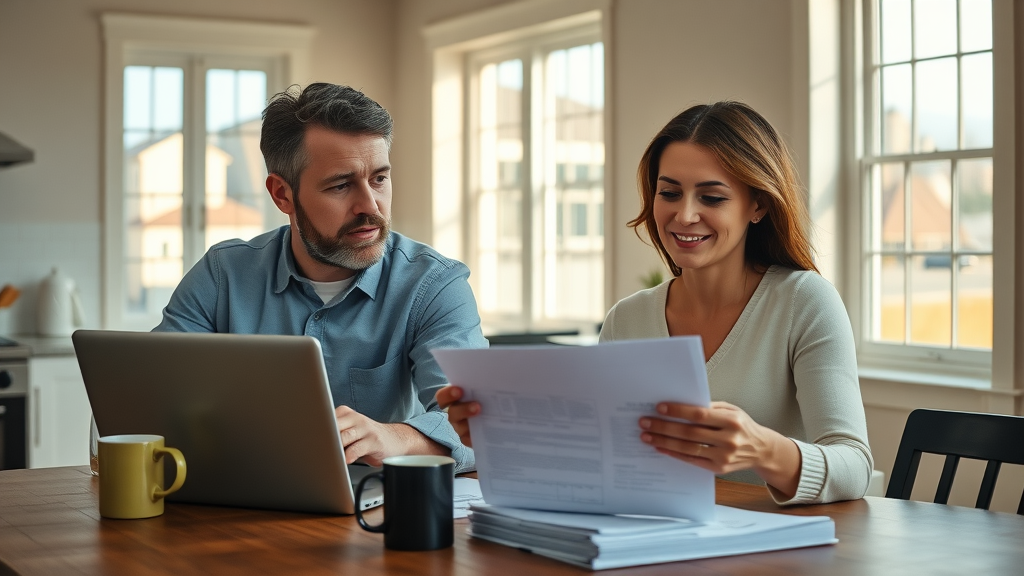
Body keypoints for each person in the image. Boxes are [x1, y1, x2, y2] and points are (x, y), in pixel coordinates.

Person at [438, 101, 873, 504]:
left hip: (773, 547)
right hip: (652, 540)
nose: (684, 215)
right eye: (669, 193)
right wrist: (499, 437)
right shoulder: (627, 319)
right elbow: (597, 461)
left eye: (712, 197)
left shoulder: (804, 301)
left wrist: (762, 449)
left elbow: (854, 465)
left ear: (757, 205)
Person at [155, 83, 486, 472]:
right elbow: (154, 400)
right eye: (341, 185)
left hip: (375, 503)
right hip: (241, 496)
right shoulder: (221, 275)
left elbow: (480, 428)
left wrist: (391, 438)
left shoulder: (434, 285)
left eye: (379, 179)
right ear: (282, 195)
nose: (369, 206)